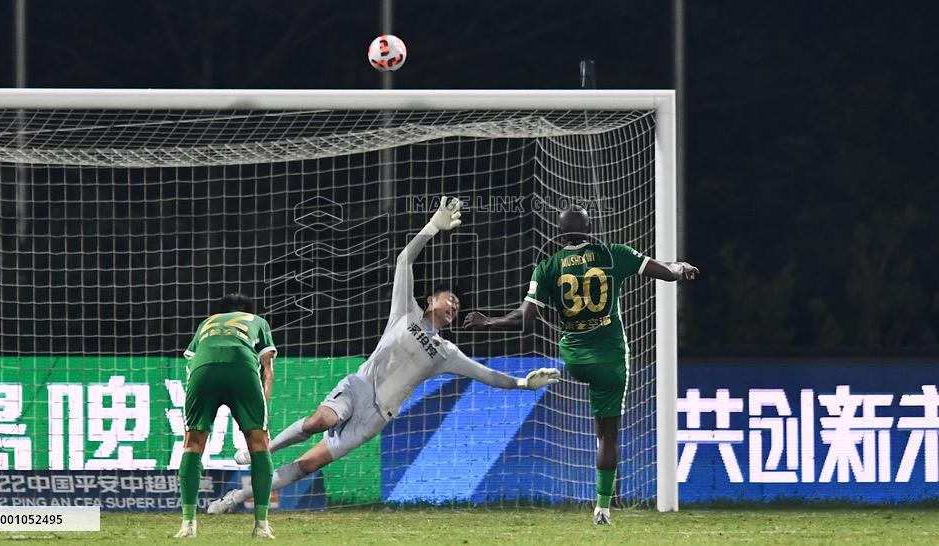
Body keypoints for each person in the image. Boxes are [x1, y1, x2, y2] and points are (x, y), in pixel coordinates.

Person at [207, 197, 560, 514]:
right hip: (359, 388)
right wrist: (432, 227)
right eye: (447, 297)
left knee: (308, 465)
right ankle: (262, 450)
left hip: (377, 416)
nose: (453, 303)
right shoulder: (404, 314)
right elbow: (404, 259)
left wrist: (523, 384)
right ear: (429, 301)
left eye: (457, 303)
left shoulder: (446, 352)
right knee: (319, 422)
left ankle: (236, 497)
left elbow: (487, 375)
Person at [462, 207, 698, 526]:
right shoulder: (614, 254)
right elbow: (666, 273)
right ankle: (602, 508)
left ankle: (565, 374)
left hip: (573, 357)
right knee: (607, 437)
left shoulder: (548, 267)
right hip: (610, 358)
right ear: (590, 228)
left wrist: (487, 321)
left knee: (594, 412)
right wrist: (681, 266)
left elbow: (524, 320)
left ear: (559, 234)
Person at [175, 293, 278, 539]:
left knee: (193, 444)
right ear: (247, 311)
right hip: (241, 367)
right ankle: (261, 526)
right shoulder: (257, 321)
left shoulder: (206, 324)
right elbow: (267, 368)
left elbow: (190, 367)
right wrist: (262, 411)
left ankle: (188, 525)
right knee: (258, 443)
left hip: (203, 369)